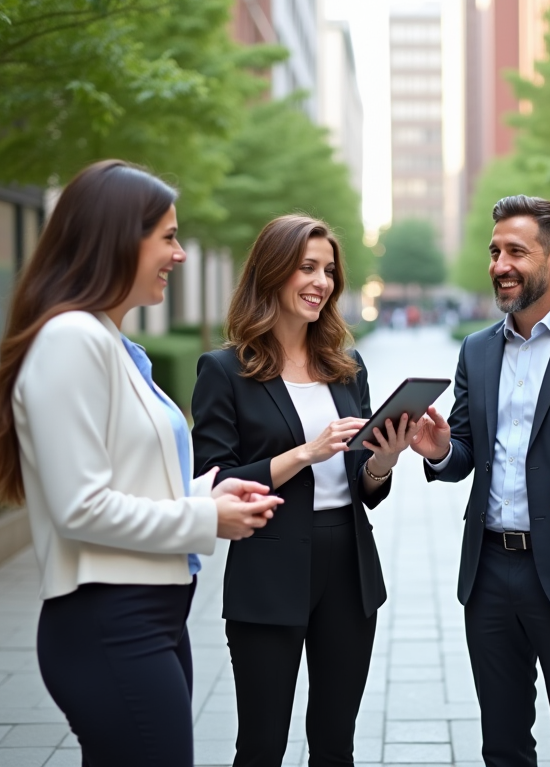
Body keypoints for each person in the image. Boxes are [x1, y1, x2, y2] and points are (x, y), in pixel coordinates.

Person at [0, 160, 282, 767]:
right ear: (117, 239)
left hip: (150, 616)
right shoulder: (72, 340)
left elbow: (131, 482)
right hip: (110, 620)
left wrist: (212, 496)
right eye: (167, 237)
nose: (180, 254)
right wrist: (203, 520)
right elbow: (80, 508)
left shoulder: (110, 344)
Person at [410, 195, 550, 767]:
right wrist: (440, 452)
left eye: (516, 251)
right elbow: (463, 454)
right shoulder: (477, 349)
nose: (500, 264)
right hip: (488, 575)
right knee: (503, 744)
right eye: (494, 252)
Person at [191, 214, 416, 767]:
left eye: (329, 271)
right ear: (271, 273)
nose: (321, 282)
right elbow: (212, 482)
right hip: (268, 567)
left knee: (336, 743)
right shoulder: (225, 371)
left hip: (348, 565)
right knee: (263, 744)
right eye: (307, 268)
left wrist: (384, 459)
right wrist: (304, 454)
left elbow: (366, 486)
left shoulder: (347, 367)